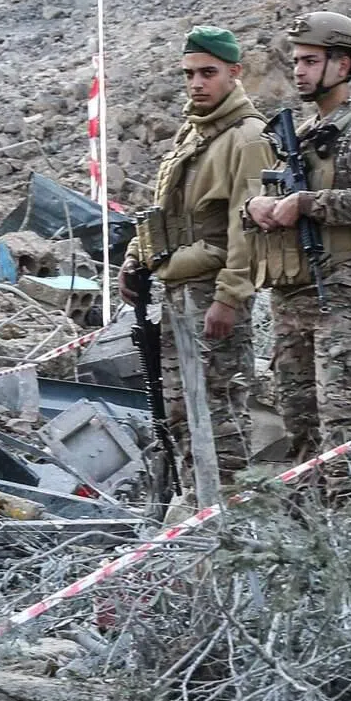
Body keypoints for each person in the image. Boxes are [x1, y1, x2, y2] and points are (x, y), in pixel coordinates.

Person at [245, 12, 351, 490]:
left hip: (343, 284)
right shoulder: (301, 135)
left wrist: (305, 203)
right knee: (297, 416)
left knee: (341, 413)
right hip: (293, 290)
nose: (299, 71)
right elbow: (263, 201)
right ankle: (313, 535)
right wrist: (257, 207)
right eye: (296, 61)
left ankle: (350, 521)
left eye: (311, 61)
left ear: (344, 64)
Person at [119, 26, 273, 487]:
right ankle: (195, 508)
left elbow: (247, 228)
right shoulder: (194, 131)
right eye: (189, 74)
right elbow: (165, 209)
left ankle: (228, 518)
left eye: (208, 73)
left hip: (211, 290)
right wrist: (135, 258)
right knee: (180, 410)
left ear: (234, 73)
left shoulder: (248, 137)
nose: (196, 84)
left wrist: (229, 299)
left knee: (220, 413)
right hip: (176, 285)